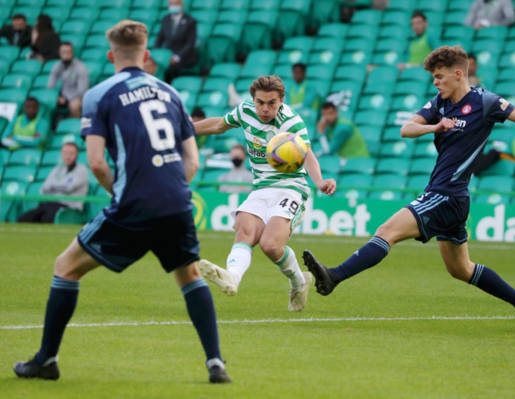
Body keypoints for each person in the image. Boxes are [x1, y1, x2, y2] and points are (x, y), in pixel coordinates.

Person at [303, 45, 515, 332]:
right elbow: (406, 128)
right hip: (454, 198)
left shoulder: (486, 102)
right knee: (461, 270)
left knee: (386, 232)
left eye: (439, 77)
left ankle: (333, 277)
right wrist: (435, 127)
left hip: (445, 194)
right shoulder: (439, 104)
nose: (435, 82)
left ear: (457, 74)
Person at [13, 20, 231, 384]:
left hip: (133, 203)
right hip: (177, 201)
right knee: (189, 274)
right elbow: (191, 161)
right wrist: (171, 191)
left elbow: (96, 162)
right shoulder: (171, 93)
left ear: (111, 55)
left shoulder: (99, 95)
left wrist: (123, 193)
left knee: (66, 266)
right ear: (146, 56)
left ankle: (46, 359)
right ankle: (216, 363)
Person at [193, 75, 336, 311]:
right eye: (260, 102)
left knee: (270, 245)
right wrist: (185, 129)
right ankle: (232, 278)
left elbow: (307, 155)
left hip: (291, 188)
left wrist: (319, 181)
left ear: (281, 101)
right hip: (261, 187)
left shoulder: (291, 122)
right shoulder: (245, 111)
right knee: (245, 229)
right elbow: (219, 124)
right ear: (253, 100)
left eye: (272, 103)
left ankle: (299, 281)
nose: (265, 109)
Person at [17, 141, 88, 223]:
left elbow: (69, 188)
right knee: (25, 218)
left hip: (69, 208)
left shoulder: (82, 169)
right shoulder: (57, 169)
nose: (68, 156)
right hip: (50, 204)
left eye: (71, 153)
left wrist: (53, 187)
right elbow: (44, 188)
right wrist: (60, 186)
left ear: (77, 154)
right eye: (65, 153)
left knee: (47, 217)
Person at [154, 0, 197, 82]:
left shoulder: (190, 21)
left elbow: (190, 44)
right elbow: (159, 39)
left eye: (176, 3)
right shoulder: (165, 19)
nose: (173, 6)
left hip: (184, 57)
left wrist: (177, 57)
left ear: (181, 4)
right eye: (171, 4)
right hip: (168, 56)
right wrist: (156, 54)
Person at [47, 42, 90, 118]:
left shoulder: (80, 67)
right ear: (59, 53)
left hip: (78, 98)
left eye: (68, 52)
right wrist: (57, 97)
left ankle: (74, 127)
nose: (66, 54)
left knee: (74, 105)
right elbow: (50, 85)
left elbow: (82, 90)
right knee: (46, 101)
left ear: (73, 53)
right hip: (63, 97)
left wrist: (66, 99)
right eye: (63, 52)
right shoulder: (57, 65)